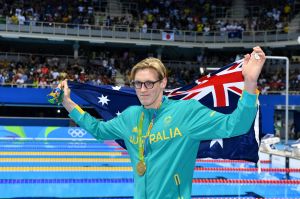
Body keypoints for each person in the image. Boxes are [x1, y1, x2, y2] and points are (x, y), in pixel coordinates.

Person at [59, 46, 266, 199]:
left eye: (149, 83)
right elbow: (99, 130)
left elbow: (236, 125)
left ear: (163, 83)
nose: (143, 89)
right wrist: (69, 104)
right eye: (138, 83)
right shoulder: (130, 116)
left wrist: (249, 81)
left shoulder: (186, 112)